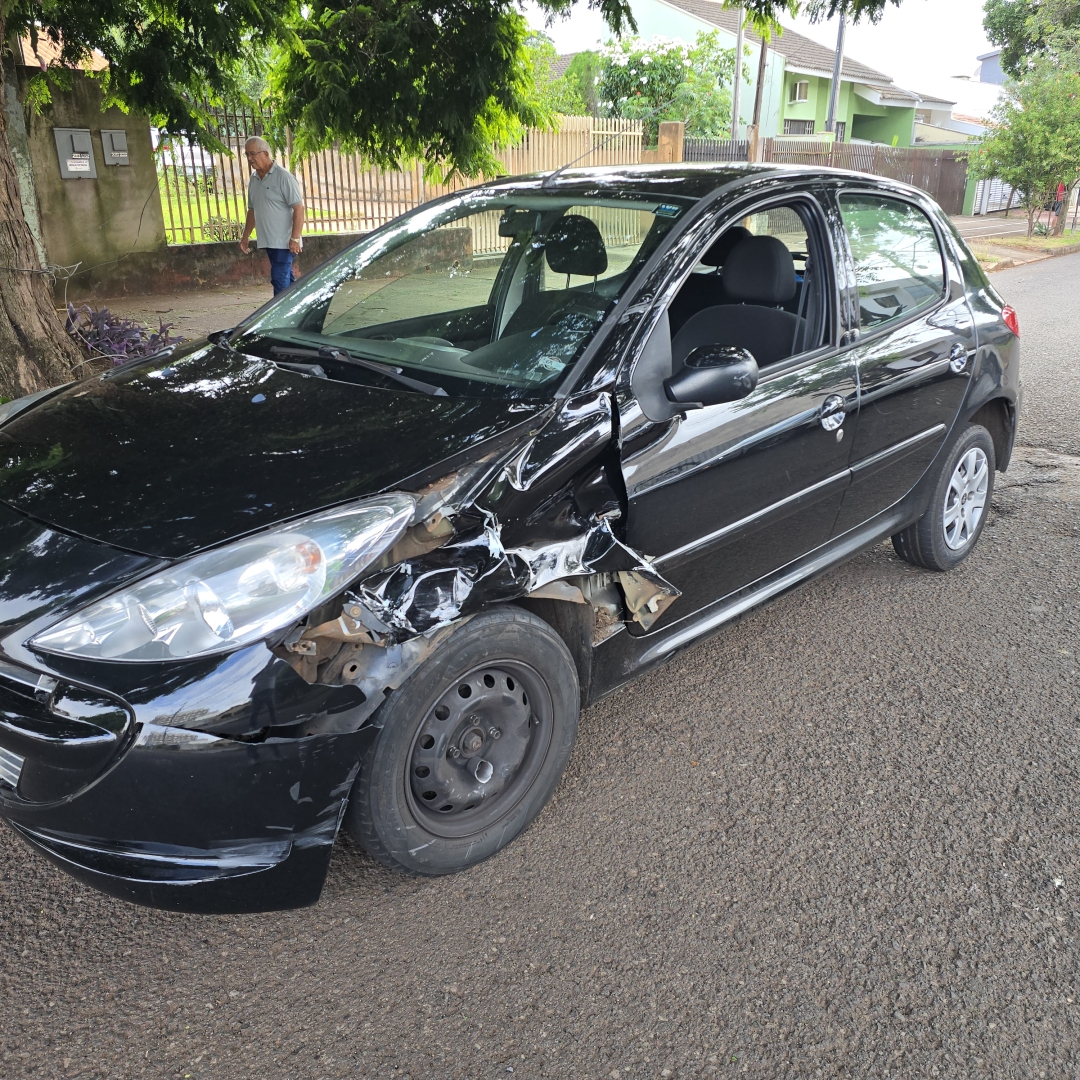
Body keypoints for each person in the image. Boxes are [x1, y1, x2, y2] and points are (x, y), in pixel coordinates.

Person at [238, 137, 305, 295]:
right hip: (268, 241)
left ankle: (280, 317)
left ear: (266, 154)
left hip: (285, 242)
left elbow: (299, 208)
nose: (249, 158)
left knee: (279, 279)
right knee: (285, 279)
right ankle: (295, 311)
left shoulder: (284, 177)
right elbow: (252, 210)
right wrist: (245, 236)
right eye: (246, 154)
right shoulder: (254, 180)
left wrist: (295, 238)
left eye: (253, 154)